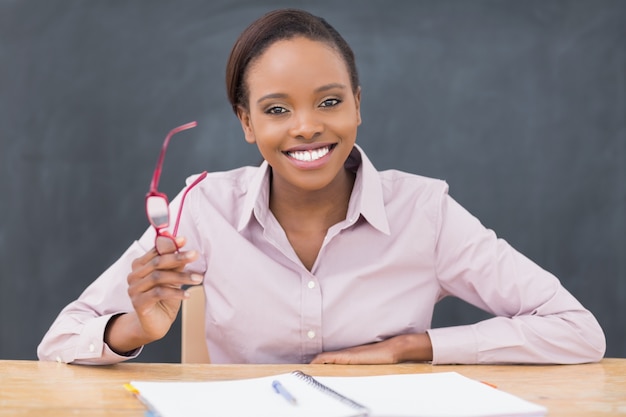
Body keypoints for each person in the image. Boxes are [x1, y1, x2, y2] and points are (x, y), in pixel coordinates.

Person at [38, 8, 605, 365]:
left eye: (329, 102)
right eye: (277, 109)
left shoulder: (425, 213)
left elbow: (578, 332)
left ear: (358, 105)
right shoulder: (201, 208)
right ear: (247, 123)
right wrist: (136, 327)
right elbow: (60, 341)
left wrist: (418, 346)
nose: (307, 126)